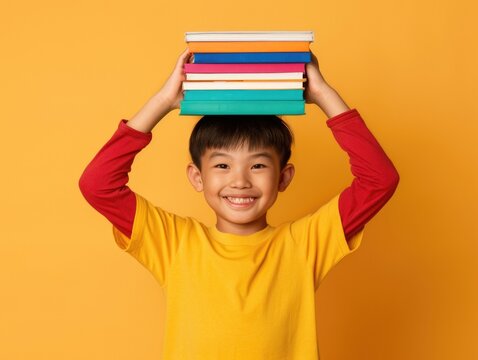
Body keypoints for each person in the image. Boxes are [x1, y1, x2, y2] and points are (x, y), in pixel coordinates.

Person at [79, 48, 399, 359]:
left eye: (258, 165)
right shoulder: (173, 243)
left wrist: (323, 93)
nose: (240, 180)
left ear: (284, 177)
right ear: (197, 177)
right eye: (222, 165)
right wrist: (163, 101)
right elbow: (98, 184)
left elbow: (379, 180)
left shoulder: (306, 244)